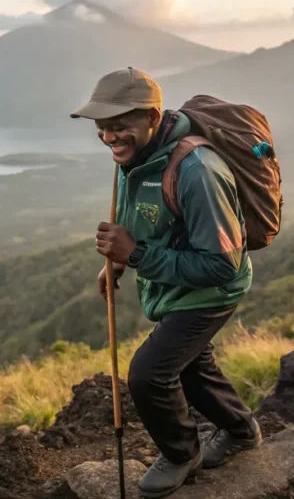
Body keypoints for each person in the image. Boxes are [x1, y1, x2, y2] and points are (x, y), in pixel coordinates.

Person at [72, 67, 261, 498]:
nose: (109, 138)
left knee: (149, 374)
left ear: (153, 117)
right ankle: (240, 429)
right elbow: (136, 211)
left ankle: (181, 454)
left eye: (119, 126)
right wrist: (117, 263)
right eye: (102, 128)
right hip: (178, 287)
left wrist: (135, 255)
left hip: (212, 290)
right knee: (192, 366)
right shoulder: (135, 156)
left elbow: (222, 267)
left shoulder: (197, 171)